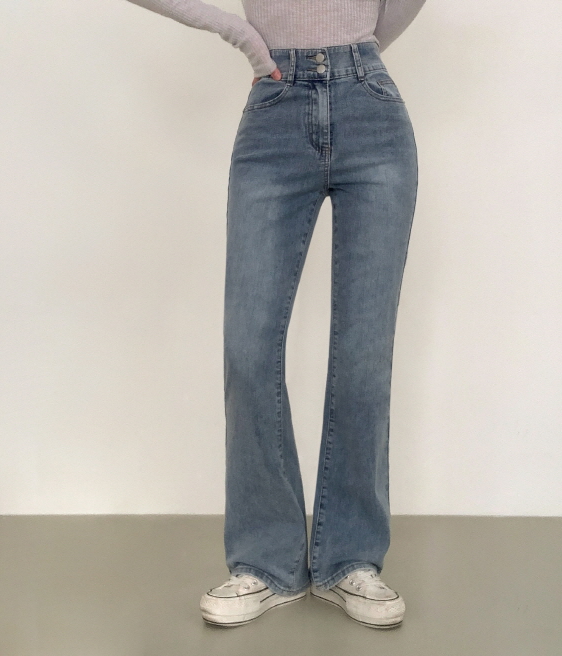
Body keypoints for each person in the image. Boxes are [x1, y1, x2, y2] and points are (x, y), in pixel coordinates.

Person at [123, 0, 427, 629]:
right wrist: (241, 35)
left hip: (373, 112)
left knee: (364, 354)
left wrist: (361, 50)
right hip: (274, 113)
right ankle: (268, 562)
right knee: (248, 349)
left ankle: (350, 559)